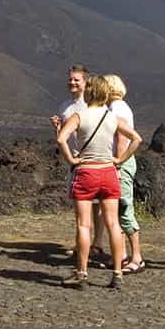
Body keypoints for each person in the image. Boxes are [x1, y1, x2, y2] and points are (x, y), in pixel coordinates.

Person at [57, 75, 143, 290]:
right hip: (108, 173)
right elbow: (137, 139)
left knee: (84, 225)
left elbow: (61, 138)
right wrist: (119, 159)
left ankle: (82, 273)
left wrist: (72, 159)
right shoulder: (112, 117)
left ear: (88, 92)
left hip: (86, 172)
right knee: (113, 223)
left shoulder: (79, 115)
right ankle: (117, 274)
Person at [51, 64, 107, 264]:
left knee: (96, 206)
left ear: (86, 82)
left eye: (77, 79)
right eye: (71, 79)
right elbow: (63, 137)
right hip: (75, 161)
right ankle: (82, 244)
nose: (72, 82)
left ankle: (97, 243)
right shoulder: (65, 106)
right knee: (81, 207)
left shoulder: (92, 105)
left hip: (91, 160)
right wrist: (58, 128)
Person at [105, 74, 145, 273]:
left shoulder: (117, 109)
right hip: (121, 162)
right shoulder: (119, 107)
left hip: (121, 163)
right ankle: (120, 255)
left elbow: (122, 137)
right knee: (117, 210)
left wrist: (118, 164)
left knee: (124, 208)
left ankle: (137, 257)